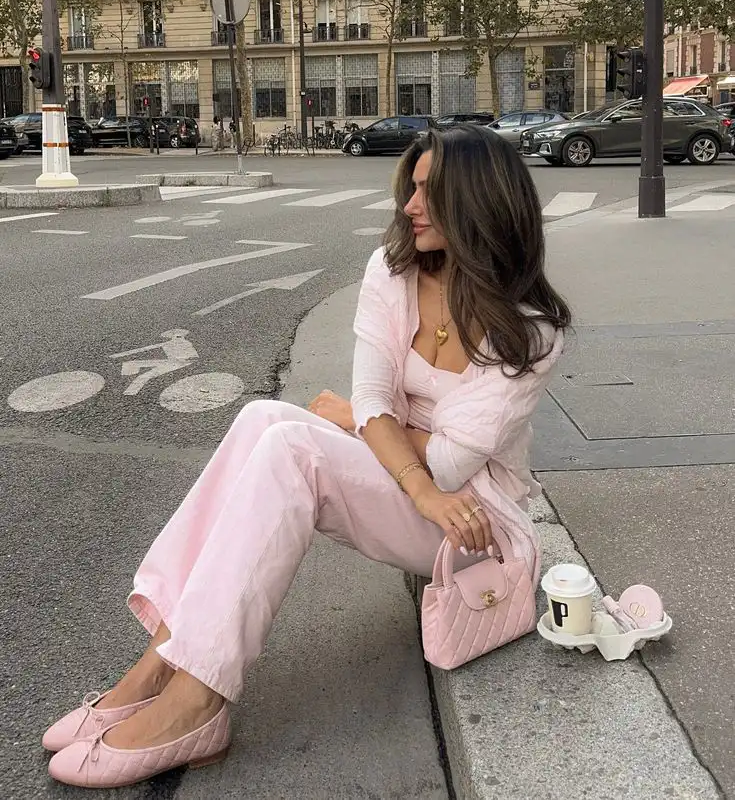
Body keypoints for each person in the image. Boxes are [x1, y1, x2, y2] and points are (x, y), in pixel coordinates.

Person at [43, 124, 571, 788]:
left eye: (429, 193)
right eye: (410, 187)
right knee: (262, 416)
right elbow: (380, 405)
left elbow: (450, 465)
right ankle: (159, 665)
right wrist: (379, 427)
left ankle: (197, 698)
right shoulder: (393, 269)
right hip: (417, 490)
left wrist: (365, 424)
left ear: (481, 204)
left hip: (473, 521)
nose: (408, 206)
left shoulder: (530, 331)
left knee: (291, 444)